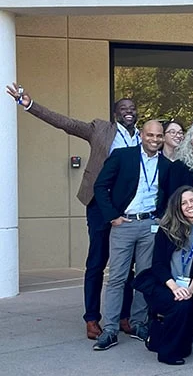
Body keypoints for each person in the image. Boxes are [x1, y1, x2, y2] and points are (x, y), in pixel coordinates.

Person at [6, 83, 138, 339]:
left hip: (129, 207)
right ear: (115, 114)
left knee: (127, 265)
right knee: (97, 262)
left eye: (132, 108)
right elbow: (65, 123)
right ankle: (92, 319)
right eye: (123, 108)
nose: (128, 111)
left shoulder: (142, 138)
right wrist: (29, 105)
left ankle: (124, 316)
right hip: (100, 204)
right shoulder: (100, 129)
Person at [91, 120, 172, 350]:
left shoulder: (166, 165)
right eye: (150, 135)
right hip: (124, 224)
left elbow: (169, 194)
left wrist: (161, 217)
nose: (154, 140)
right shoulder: (123, 156)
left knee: (145, 277)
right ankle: (110, 329)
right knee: (117, 277)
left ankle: (138, 323)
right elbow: (100, 186)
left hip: (150, 226)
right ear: (141, 135)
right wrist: (112, 216)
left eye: (159, 136)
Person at [134, 186, 193, 365]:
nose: (190, 205)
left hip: (191, 287)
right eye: (184, 203)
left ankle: (158, 340)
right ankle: (167, 354)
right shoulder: (167, 230)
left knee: (185, 346)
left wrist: (189, 290)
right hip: (163, 284)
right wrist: (175, 288)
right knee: (181, 306)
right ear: (178, 207)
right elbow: (158, 265)